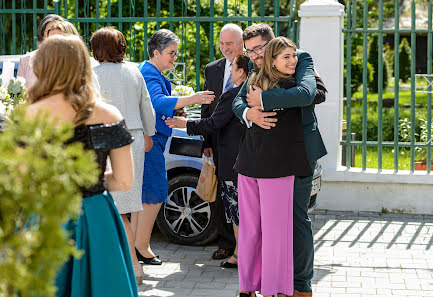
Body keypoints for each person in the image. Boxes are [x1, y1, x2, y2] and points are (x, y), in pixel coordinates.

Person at [25, 35, 138, 297]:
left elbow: (22, 178)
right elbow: (124, 181)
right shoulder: (108, 114)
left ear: (44, 66)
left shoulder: (30, 114)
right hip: (94, 215)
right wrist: (92, 178)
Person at [232, 23, 327, 297]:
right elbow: (240, 102)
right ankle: (268, 282)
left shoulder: (300, 59)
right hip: (266, 156)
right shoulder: (255, 68)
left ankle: (301, 285)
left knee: (297, 221)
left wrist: (265, 100)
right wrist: (251, 115)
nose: (253, 55)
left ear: (272, 44)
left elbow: (313, 94)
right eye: (249, 51)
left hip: (300, 152)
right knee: (266, 225)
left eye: (258, 49)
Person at [135, 29, 214, 265]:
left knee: (148, 195)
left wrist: (176, 109)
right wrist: (193, 99)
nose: (174, 57)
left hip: (153, 141)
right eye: (171, 52)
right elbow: (158, 102)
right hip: (151, 143)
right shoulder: (149, 73)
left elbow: (155, 105)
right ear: (156, 52)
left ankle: (139, 246)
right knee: (155, 193)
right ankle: (141, 247)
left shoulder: (150, 71)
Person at [165, 53, 250, 269]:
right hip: (246, 160)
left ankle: (240, 255)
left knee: (236, 211)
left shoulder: (233, 94)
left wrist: (185, 123)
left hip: (232, 162)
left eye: (233, 68)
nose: (230, 71)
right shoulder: (253, 93)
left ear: (241, 72)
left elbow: (213, 123)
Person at [90, 27, 156, 284]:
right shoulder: (134, 71)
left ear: (98, 49)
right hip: (135, 138)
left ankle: (131, 264)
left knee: (114, 207)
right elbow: (146, 105)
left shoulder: (94, 75)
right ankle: (131, 263)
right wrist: (149, 134)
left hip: (105, 139)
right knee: (127, 205)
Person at [202, 23, 244, 261]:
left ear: (241, 44)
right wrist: (206, 141)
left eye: (230, 43)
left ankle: (242, 245)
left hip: (242, 139)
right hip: (217, 139)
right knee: (223, 193)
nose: (225, 48)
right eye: (222, 43)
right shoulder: (213, 69)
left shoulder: (250, 68)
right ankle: (227, 243)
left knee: (239, 194)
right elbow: (206, 107)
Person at [17, 14, 65, 88]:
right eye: (50, 30)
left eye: (58, 31)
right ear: (42, 34)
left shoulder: (69, 59)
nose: (54, 34)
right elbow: (19, 93)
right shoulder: (26, 60)